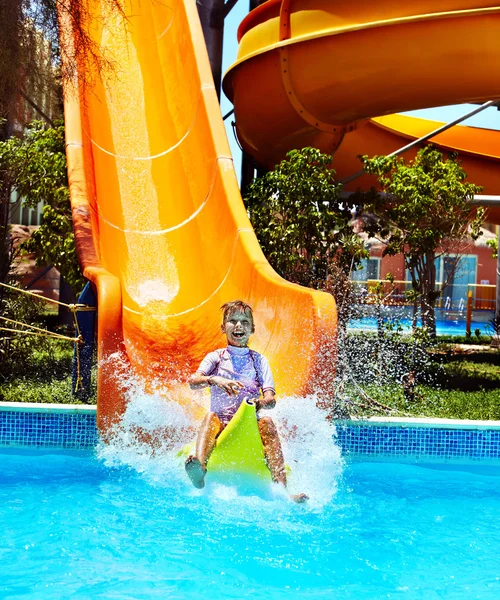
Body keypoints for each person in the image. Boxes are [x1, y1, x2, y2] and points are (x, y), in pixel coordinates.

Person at [186, 300, 308, 503]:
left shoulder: (259, 361)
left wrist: (259, 403)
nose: (238, 326)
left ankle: (283, 491)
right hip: (221, 426)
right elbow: (193, 382)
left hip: (248, 424)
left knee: (267, 422)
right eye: (232, 321)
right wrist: (213, 379)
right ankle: (200, 471)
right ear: (223, 327)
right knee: (210, 416)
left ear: (252, 329)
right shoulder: (216, 357)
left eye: (244, 321)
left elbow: (270, 399)